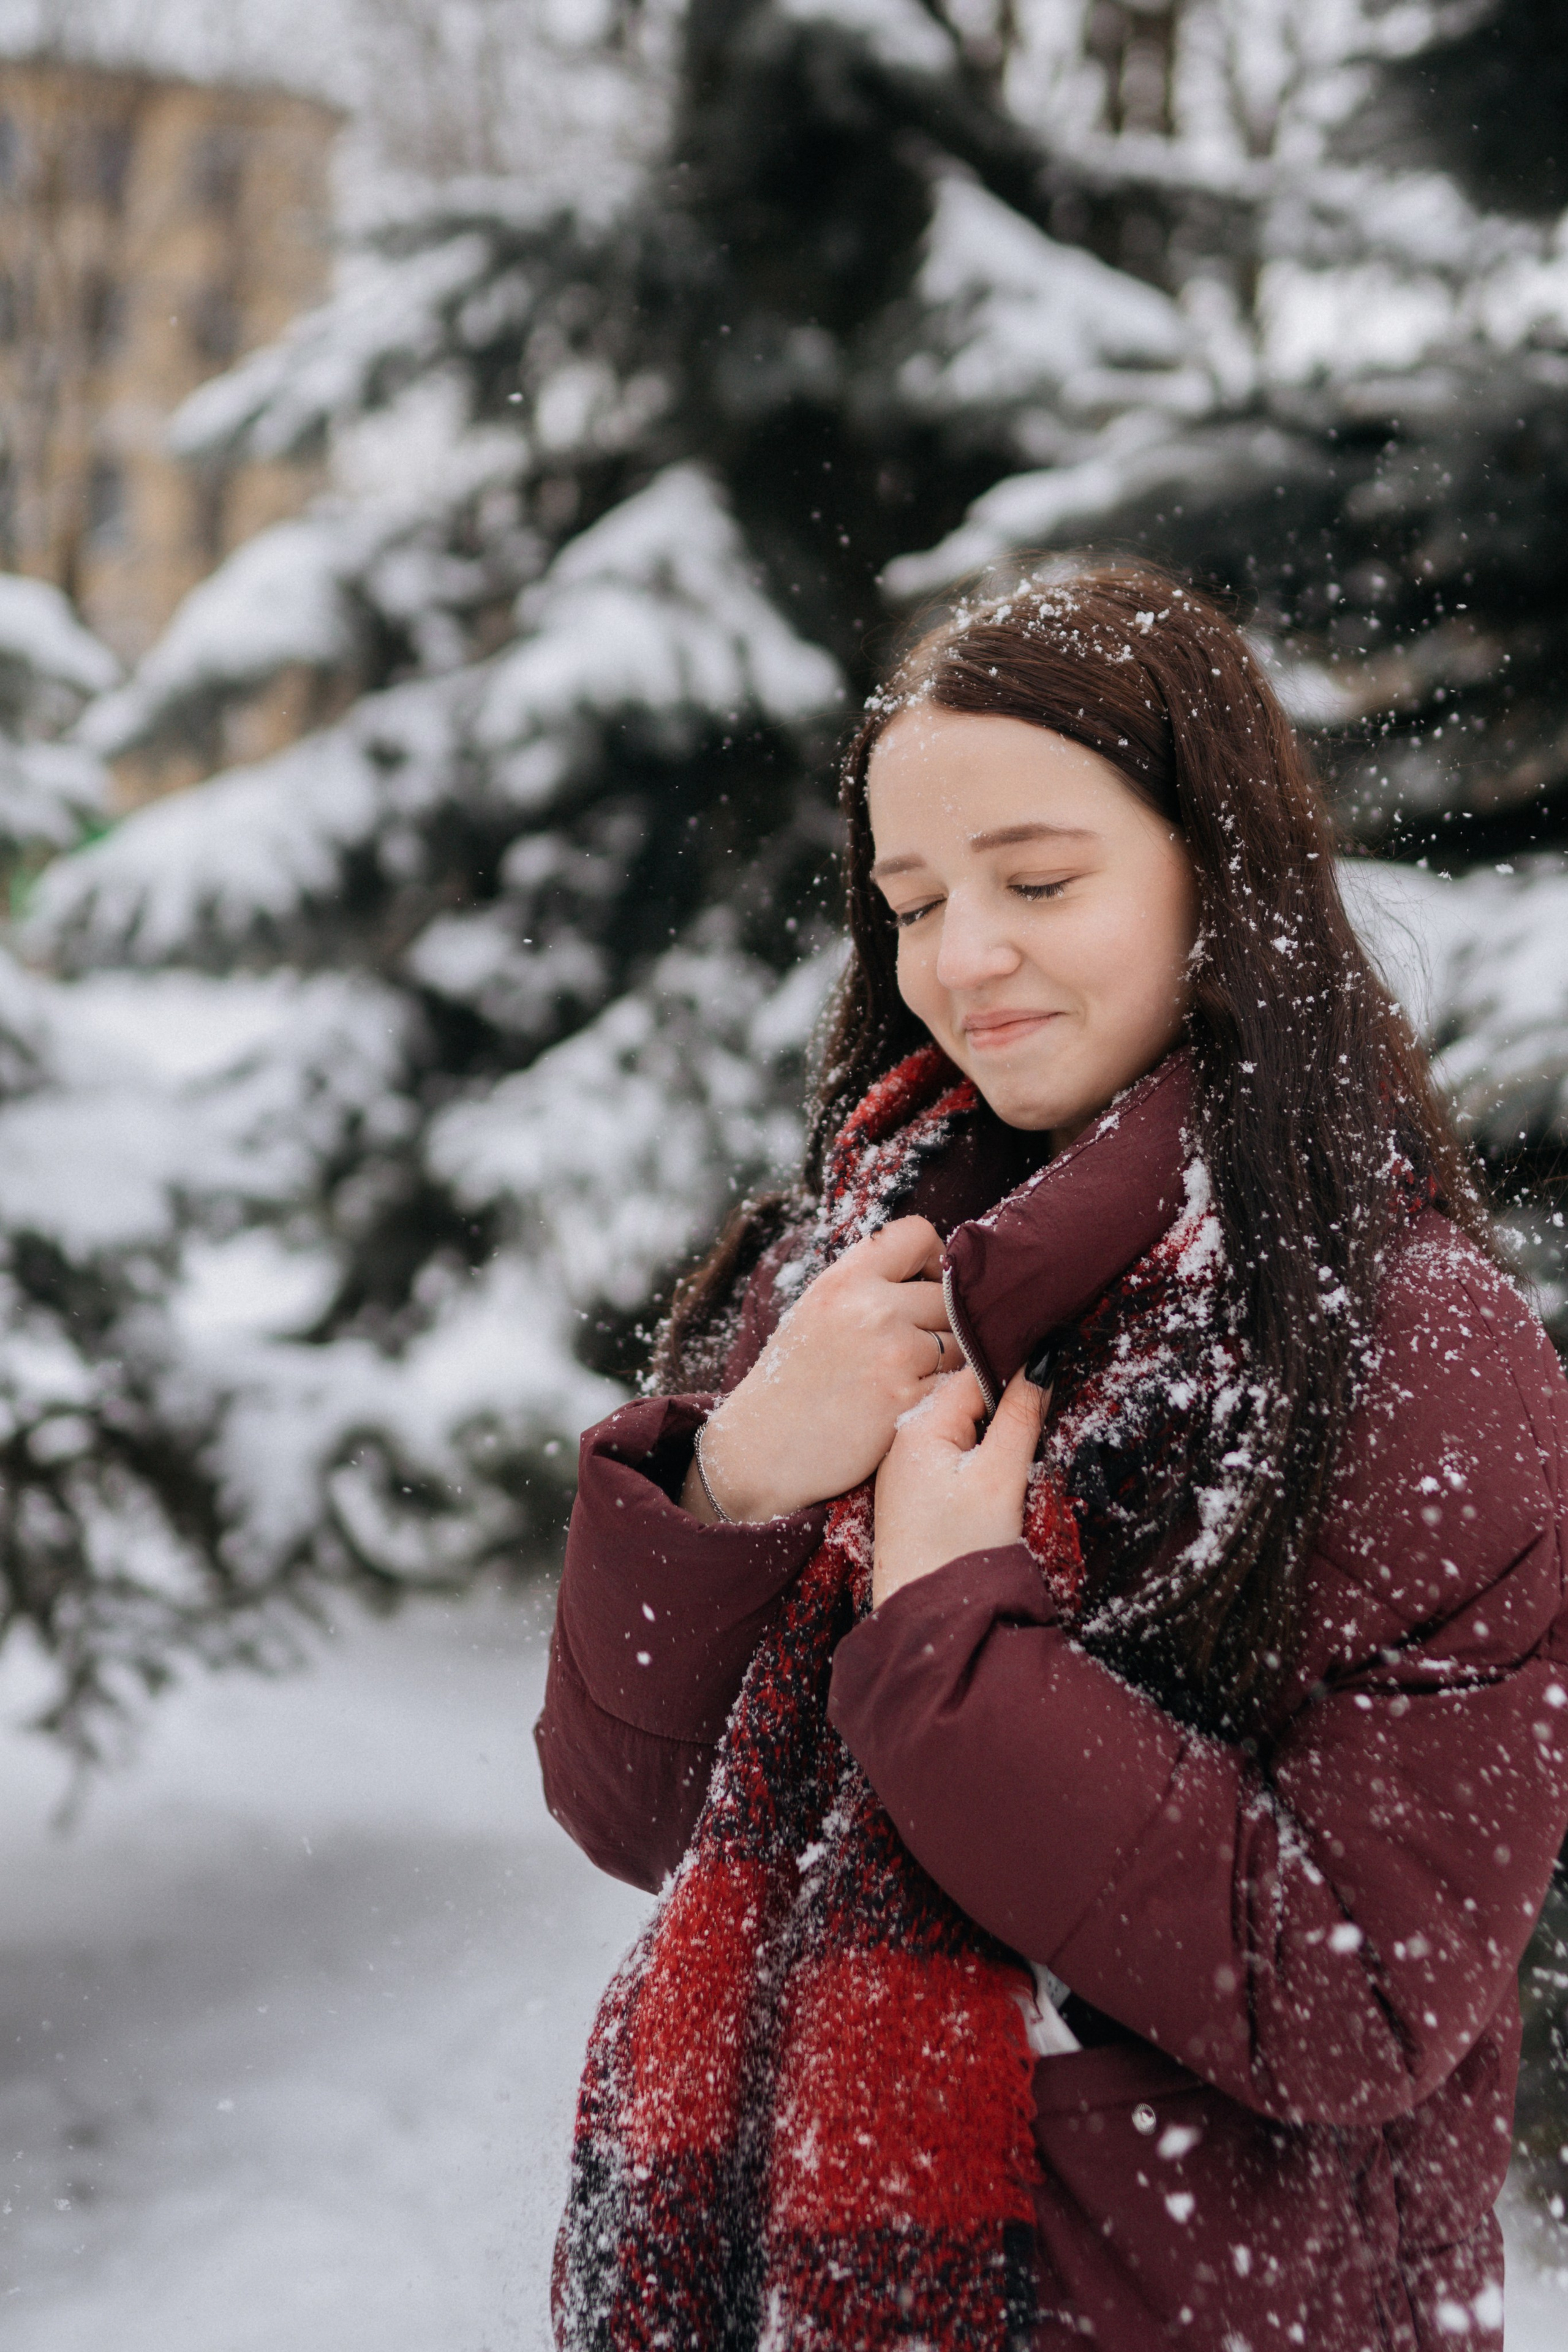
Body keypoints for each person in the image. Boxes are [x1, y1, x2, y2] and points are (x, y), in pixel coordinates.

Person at [536, 560, 1568, 2352]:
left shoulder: (1405, 1343)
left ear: (1217, 870)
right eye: (913, 901)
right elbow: (628, 1816)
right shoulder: (846, 1276)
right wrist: (736, 1478)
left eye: (1040, 880)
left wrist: (951, 1638)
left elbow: (1358, 2002)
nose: (963, 958)